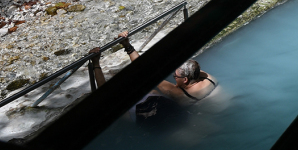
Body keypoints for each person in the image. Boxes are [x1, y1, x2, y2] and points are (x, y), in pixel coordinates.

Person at [88, 31, 218, 107]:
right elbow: (193, 68)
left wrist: (127, 46)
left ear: (185, 80)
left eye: (175, 76)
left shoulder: (178, 93)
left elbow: (145, 70)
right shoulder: (208, 78)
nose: (173, 75)